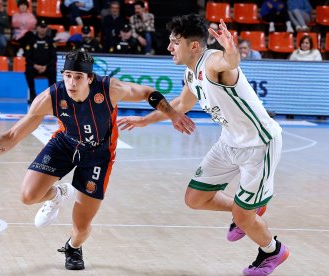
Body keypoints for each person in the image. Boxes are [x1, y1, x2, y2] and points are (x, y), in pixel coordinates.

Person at [0, 49, 194, 270]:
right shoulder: (50, 97)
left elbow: (149, 92)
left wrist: (173, 113)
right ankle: (57, 194)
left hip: (99, 155)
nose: (72, 82)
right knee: (28, 196)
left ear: (90, 78)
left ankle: (73, 247)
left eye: (78, 77)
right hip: (65, 144)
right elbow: (13, 135)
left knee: (81, 226)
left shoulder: (110, 89)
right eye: (68, 75)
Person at [117, 14, 289, 276]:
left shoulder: (213, 63)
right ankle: (246, 206)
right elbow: (180, 105)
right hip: (229, 142)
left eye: (175, 42)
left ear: (194, 46)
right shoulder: (191, 74)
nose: (169, 47)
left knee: (244, 219)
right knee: (195, 198)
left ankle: (272, 250)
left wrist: (230, 47)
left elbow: (230, 61)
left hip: (259, 145)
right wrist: (144, 121)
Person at [24, 20, 56, 105]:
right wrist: (35, 65)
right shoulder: (31, 40)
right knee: (28, 69)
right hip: (34, 67)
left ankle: (51, 97)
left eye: (44, 27)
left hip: (47, 67)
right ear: (37, 28)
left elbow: (54, 57)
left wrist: (46, 66)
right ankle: (33, 95)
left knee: (52, 70)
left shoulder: (50, 41)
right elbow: (27, 57)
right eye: (41, 27)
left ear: (47, 28)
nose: (42, 29)